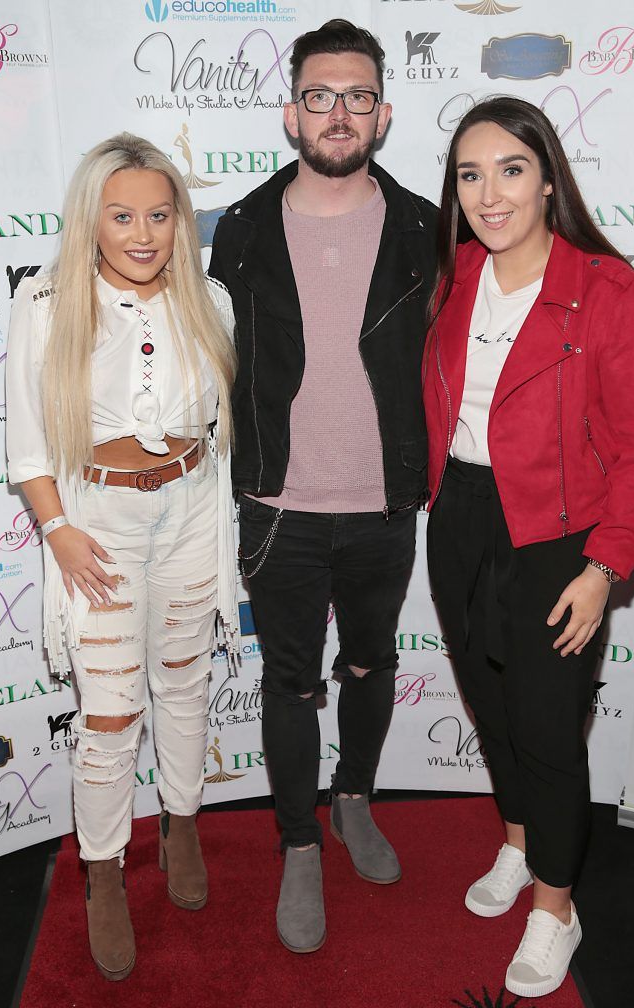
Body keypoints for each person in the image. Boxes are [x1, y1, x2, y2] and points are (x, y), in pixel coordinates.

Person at [423, 96, 634, 997]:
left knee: (546, 728)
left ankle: (556, 909)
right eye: (469, 174)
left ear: (546, 177)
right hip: (459, 516)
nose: (489, 194)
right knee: (491, 712)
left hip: (558, 536)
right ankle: (519, 845)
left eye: (510, 169)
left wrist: (605, 565)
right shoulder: (454, 275)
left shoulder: (608, 291)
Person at [208, 19, 437, 953]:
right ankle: (299, 840)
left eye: (354, 97)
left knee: (372, 666)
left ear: (381, 114)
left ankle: (354, 801)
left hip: (385, 502)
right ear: (289, 111)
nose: (335, 113)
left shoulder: (430, 225)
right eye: (317, 95)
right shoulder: (239, 230)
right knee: (290, 682)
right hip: (277, 506)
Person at [6, 133, 238, 981]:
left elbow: (217, 431)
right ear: (92, 221)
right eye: (123, 215)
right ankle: (102, 869)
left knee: (183, 683)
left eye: (160, 214)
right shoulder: (46, 301)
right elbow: (27, 450)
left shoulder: (208, 299)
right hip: (95, 523)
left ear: (180, 221)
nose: (143, 233)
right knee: (108, 715)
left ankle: (181, 823)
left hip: (191, 513)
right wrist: (60, 531)